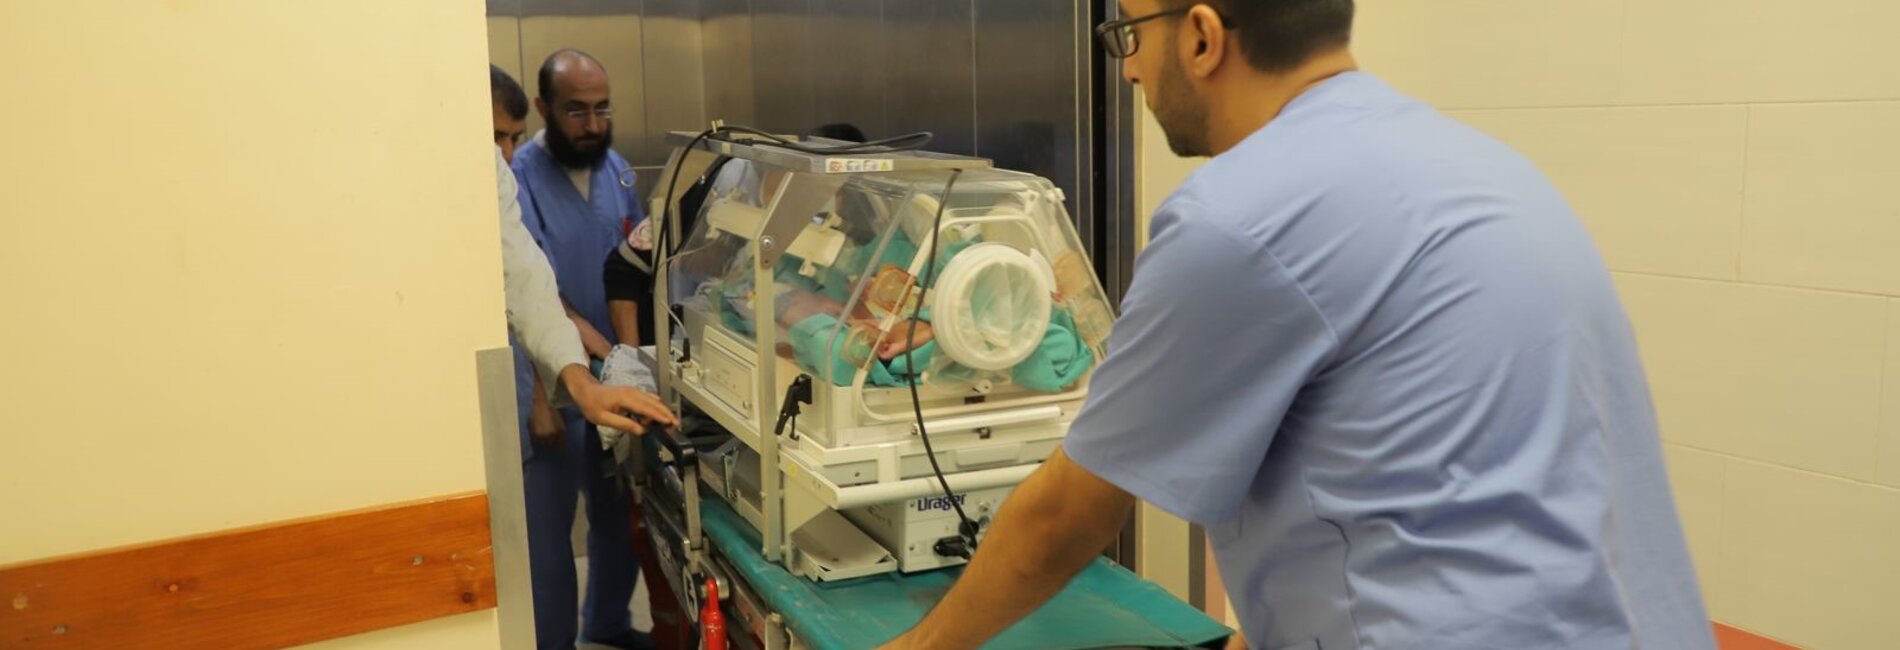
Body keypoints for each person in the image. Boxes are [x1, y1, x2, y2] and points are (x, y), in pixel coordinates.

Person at [880, 1, 1713, 649]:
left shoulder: (1237, 217)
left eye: (1126, 35)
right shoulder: (1488, 169)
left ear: (1202, 36)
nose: (1127, 71)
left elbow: (1069, 515)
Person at [508, 50, 654, 650]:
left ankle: (608, 623)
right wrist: (543, 397)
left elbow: (635, 262)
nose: (593, 125)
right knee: (548, 540)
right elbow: (526, 286)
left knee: (620, 515)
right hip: (550, 381)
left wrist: (637, 359)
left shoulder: (616, 168)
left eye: (602, 109)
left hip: (613, 373)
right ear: (544, 109)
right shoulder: (516, 174)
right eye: (577, 112)